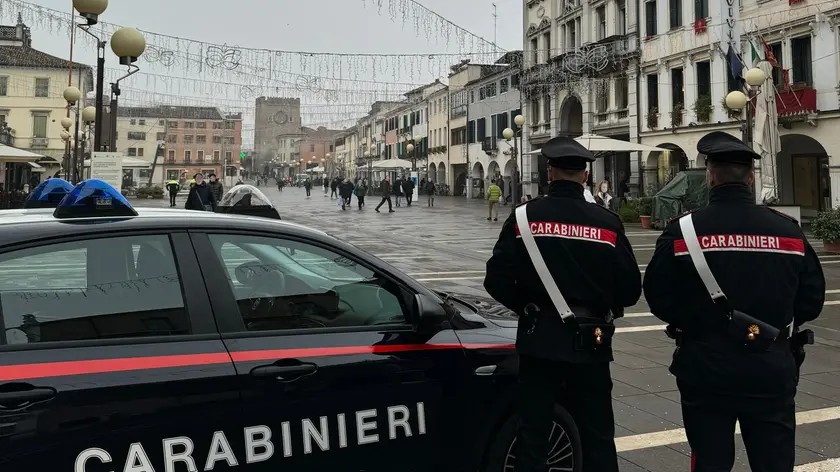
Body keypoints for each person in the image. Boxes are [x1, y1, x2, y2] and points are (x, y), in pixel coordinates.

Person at [643, 131, 824, 472]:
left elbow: (658, 297)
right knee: (774, 462)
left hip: (705, 366)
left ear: (710, 175)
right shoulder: (788, 231)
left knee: (710, 461)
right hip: (771, 365)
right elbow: (811, 301)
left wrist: (697, 322)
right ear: (751, 178)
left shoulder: (683, 231)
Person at [484, 136, 641, 472]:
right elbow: (630, 290)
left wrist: (527, 305)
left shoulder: (525, 218)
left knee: (534, 434)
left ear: (549, 172)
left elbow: (495, 280)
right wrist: (603, 305)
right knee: (598, 434)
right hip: (592, 341)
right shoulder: (607, 223)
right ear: (585, 176)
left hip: (540, 338)